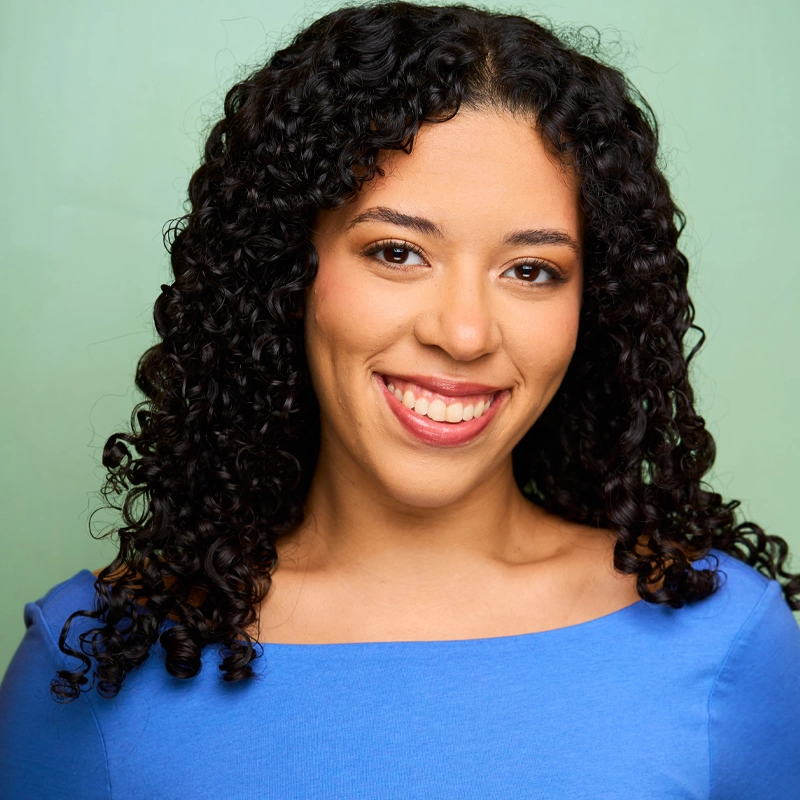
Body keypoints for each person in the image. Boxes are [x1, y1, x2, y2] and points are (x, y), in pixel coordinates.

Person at [1, 2, 798, 797]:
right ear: (286, 272)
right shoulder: (95, 658)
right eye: (397, 252)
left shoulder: (727, 643)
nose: (464, 333)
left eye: (531, 270)